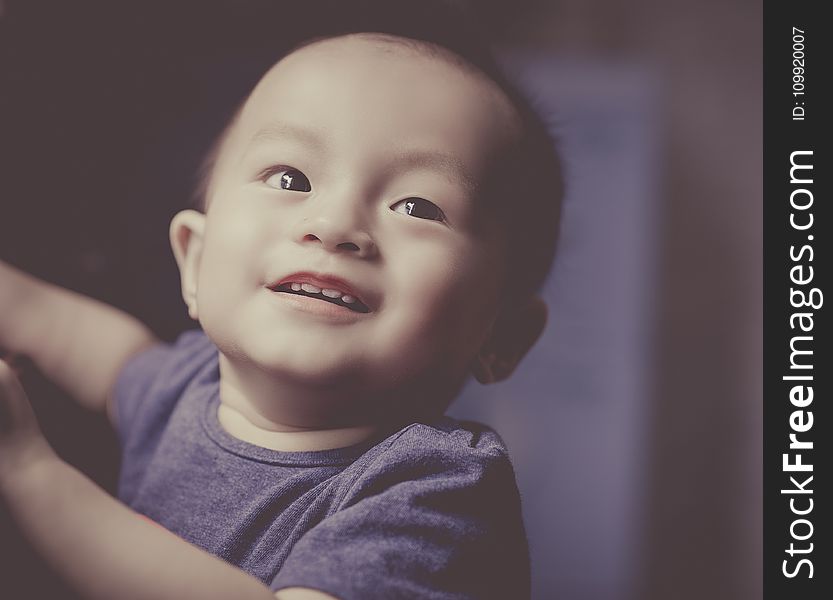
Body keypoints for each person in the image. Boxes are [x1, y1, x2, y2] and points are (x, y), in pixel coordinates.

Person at [0, 4, 562, 599]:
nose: (333, 222)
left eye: (419, 207)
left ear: (501, 335)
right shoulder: (185, 389)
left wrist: (33, 475)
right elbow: (64, 331)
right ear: (194, 260)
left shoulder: (434, 488)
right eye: (290, 177)